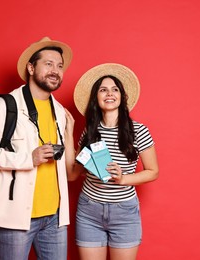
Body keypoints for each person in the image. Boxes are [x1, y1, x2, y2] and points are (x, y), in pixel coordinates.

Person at [0, 37, 75, 260]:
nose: (55, 70)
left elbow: (65, 166)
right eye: (48, 64)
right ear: (31, 67)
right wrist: (29, 158)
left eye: (59, 66)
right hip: (15, 218)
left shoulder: (60, 111)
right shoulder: (4, 106)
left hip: (55, 218)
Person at [67, 63, 159, 260]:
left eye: (114, 89)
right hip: (89, 211)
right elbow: (73, 174)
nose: (109, 94)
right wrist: (68, 134)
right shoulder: (89, 131)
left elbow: (153, 171)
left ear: (122, 97)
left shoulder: (139, 130)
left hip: (124, 212)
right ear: (96, 98)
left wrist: (123, 178)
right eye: (103, 90)